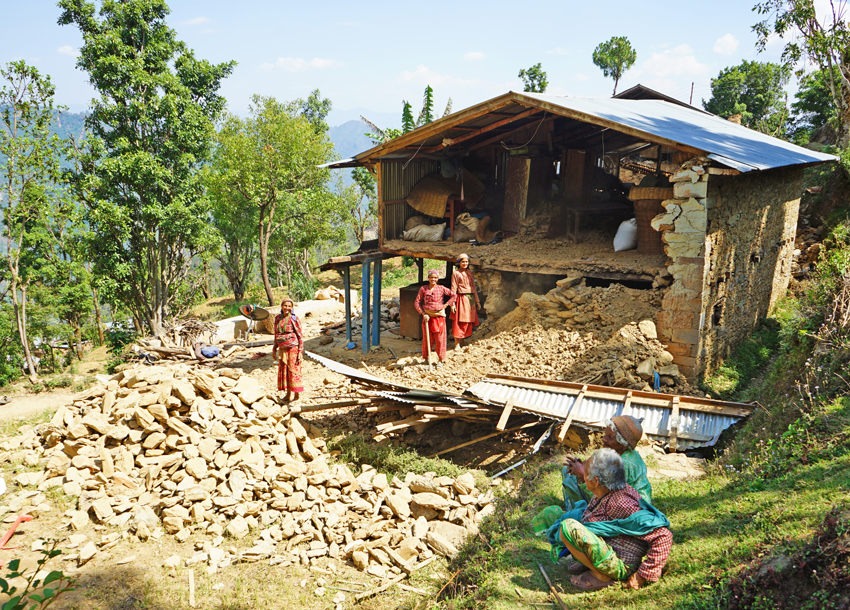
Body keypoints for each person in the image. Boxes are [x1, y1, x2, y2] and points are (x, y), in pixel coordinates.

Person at [556, 448, 673, 592]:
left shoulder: (620, 502)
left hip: (621, 564)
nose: (583, 477)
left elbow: (663, 536)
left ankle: (601, 575)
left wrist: (642, 575)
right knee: (576, 515)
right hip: (611, 551)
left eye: (585, 474)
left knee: (568, 528)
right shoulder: (604, 491)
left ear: (596, 481)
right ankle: (591, 564)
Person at [563, 415, 652, 508]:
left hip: (633, 509)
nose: (604, 439)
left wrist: (582, 474)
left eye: (610, 437)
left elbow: (607, 497)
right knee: (568, 470)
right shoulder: (618, 452)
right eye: (605, 434)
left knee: (573, 479)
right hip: (620, 501)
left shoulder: (623, 464)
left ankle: (580, 514)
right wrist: (584, 465)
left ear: (624, 443)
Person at [414, 269, 456, 368]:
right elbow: (416, 303)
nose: (433, 279)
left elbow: (454, 295)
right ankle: (426, 359)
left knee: (440, 339)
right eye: (431, 277)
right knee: (427, 338)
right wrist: (423, 313)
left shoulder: (441, 288)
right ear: (428, 278)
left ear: (438, 279)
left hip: (439, 317)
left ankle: (440, 360)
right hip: (427, 317)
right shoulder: (423, 288)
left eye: (435, 277)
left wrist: (446, 305)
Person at [272, 297, 303, 402]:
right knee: (285, 370)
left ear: (292, 307)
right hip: (282, 349)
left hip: (293, 348)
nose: (287, 308)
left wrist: (300, 352)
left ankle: (296, 395)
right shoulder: (277, 318)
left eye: (289, 306)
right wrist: (274, 348)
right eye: (285, 305)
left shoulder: (294, 319)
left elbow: (300, 336)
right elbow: (276, 334)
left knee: (293, 370)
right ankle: (288, 395)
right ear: (281, 306)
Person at [450, 253, 481, 350]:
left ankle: (463, 340)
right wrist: (452, 303)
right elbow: (453, 289)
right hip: (461, 298)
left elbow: (473, 288)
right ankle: (456, 344)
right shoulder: (456, 274)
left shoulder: (470, 273)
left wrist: (477, 301)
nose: (465, 263)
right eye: (463, 262)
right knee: (459, 321)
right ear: (459, 263)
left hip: (470, 299)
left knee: (468, 321)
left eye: (466, 262)